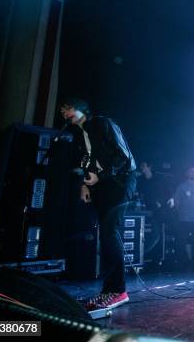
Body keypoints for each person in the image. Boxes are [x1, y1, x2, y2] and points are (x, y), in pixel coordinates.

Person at [60, 98, 137, 311]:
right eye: (62, 111)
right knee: (105, 234)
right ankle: (109, 290)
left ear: (83, 109)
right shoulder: (82, 135)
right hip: (104, 185)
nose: (64, 113)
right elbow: (89, 163)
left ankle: (118, 290)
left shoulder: (102, 123)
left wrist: (100, 176)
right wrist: (85, 185)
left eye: (68, 108)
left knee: (110, 231)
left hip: (121, 182)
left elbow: (123, 157)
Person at [171, 166, 194, 268]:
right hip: (184, 218)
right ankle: (182, 262)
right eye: (191, 171)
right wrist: (180, 211)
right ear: (187, 173)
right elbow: (176, 200)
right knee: (181, 241)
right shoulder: (181, 186)